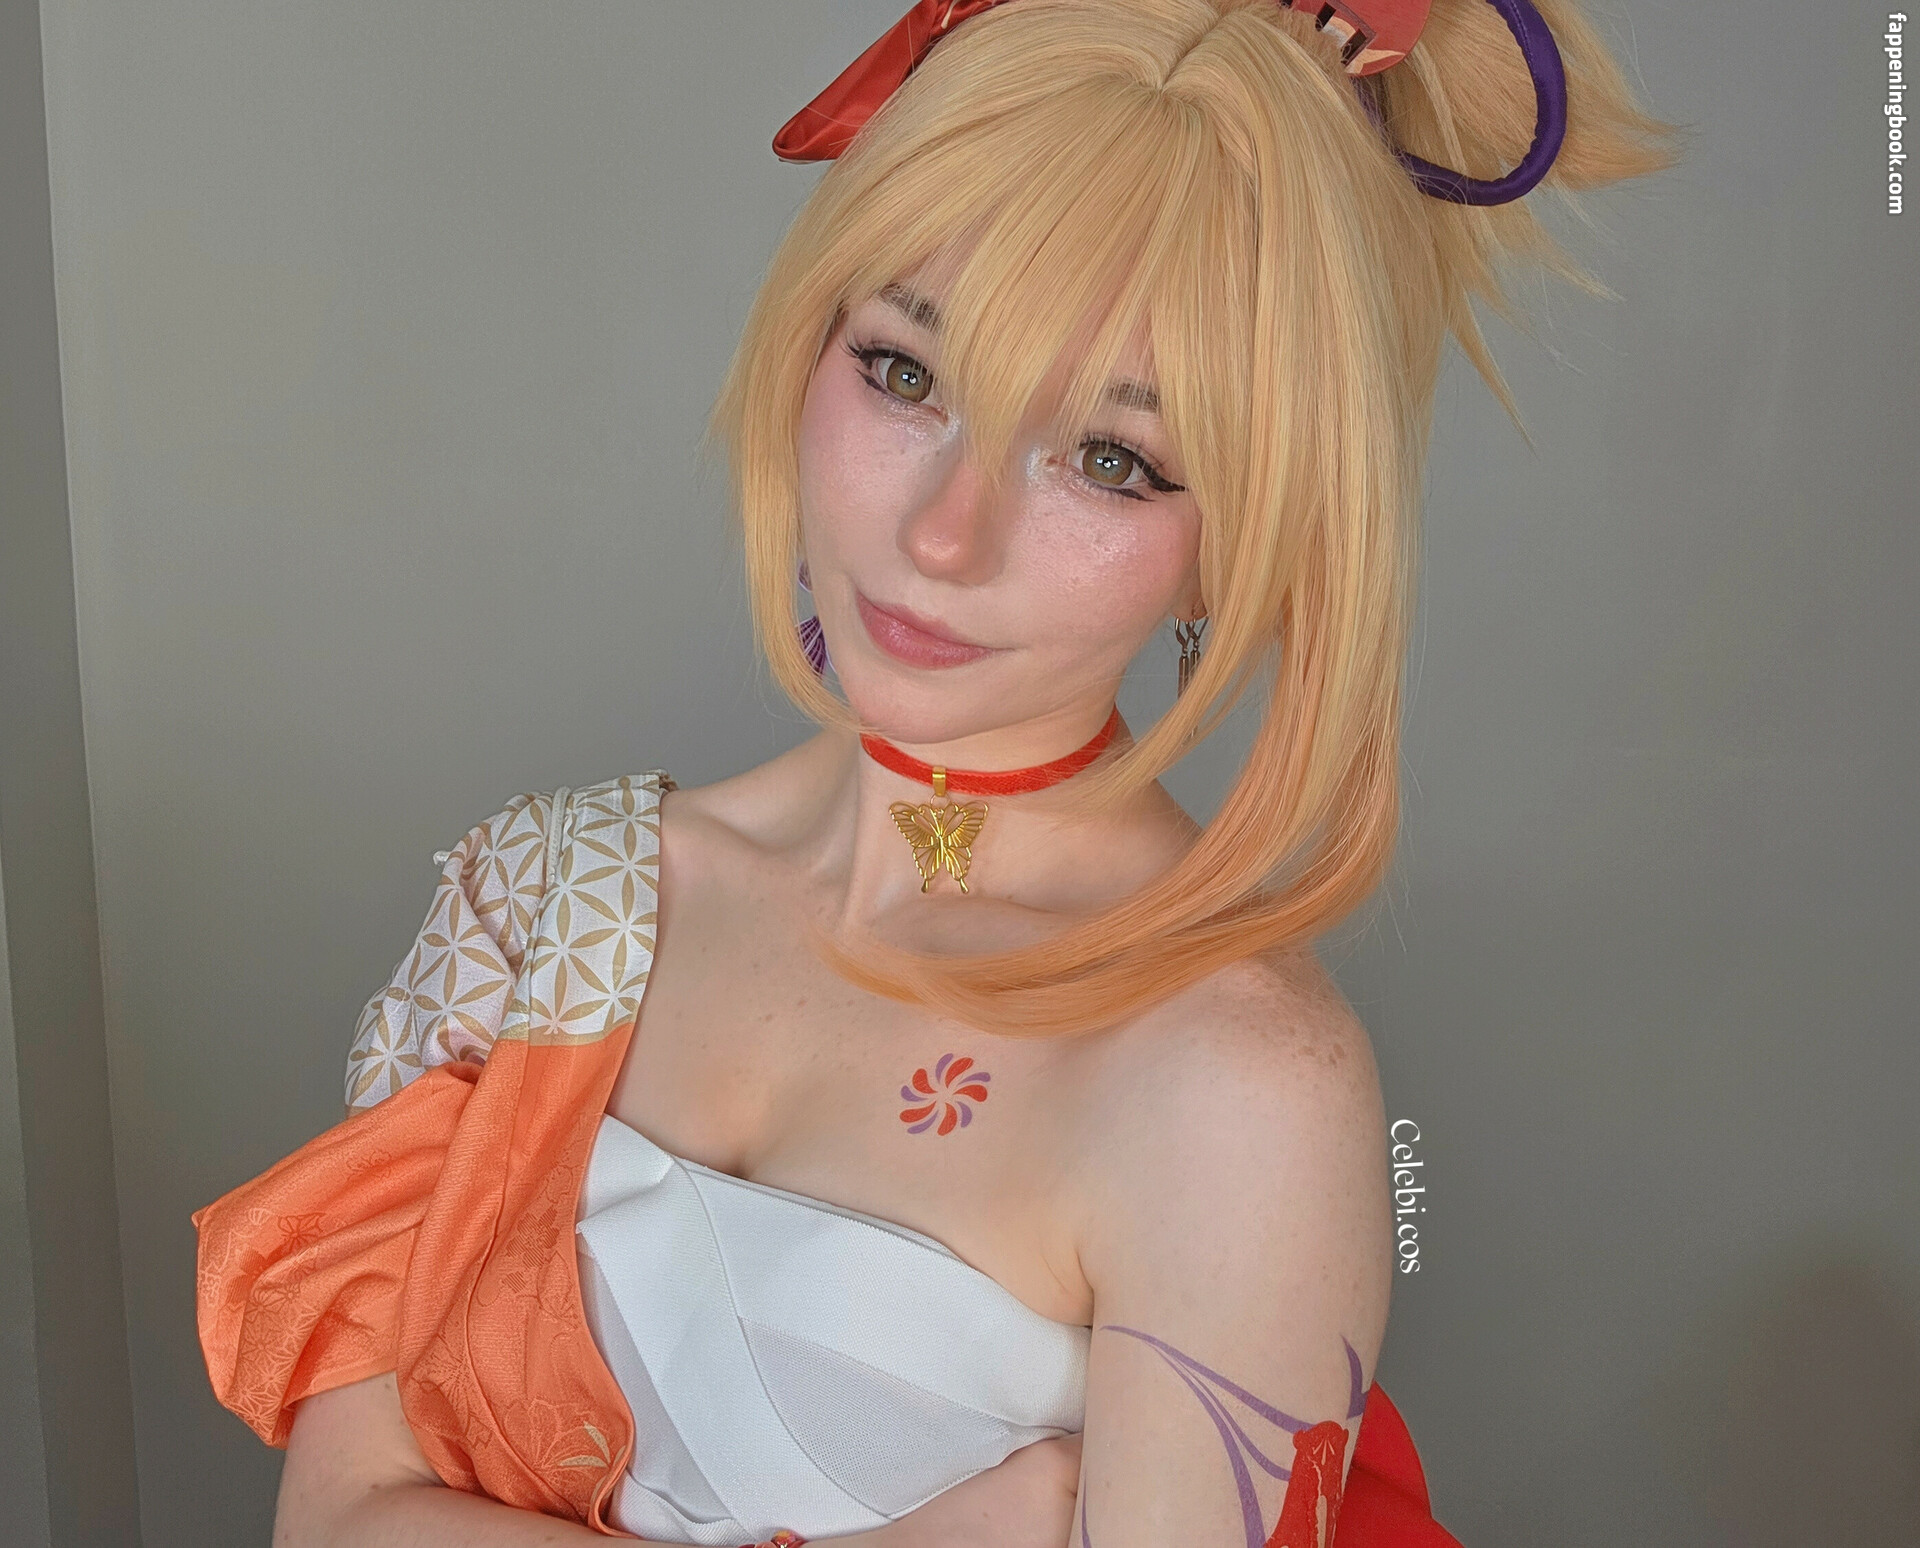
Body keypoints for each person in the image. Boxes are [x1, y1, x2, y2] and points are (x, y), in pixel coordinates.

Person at [194, 2, 1678, 1543]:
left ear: (1236, 542)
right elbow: (339, 1523)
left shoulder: (1240, 1083)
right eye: (905, 372)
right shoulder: (538, 899)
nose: (945, 534)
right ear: (808, 341)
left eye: (1111, 458)